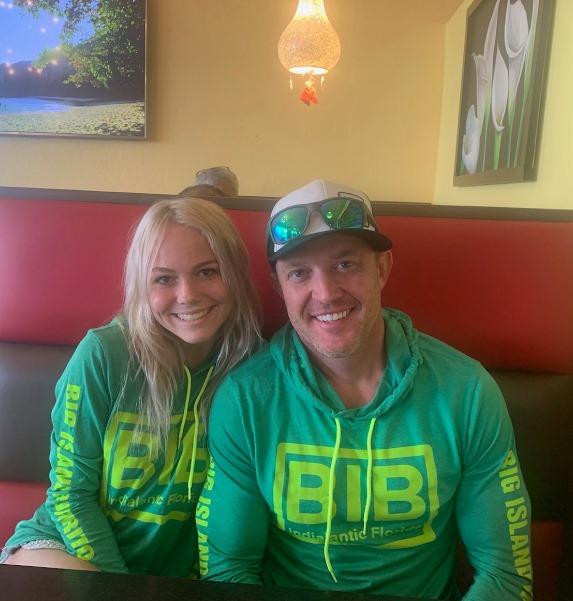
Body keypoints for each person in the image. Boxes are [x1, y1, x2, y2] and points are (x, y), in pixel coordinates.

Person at [196, 180, 532, 600]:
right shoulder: (245, 399)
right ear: (280, 286)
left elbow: (504, 575)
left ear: (382, 268)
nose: (326, 293)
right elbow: (228, 571)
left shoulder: (467, 390)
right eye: (300, 273)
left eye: (345, 264)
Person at [0, 197, 262, 576]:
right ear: (142, 285)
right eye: (164, 279)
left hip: (173, 573)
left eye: (207, 271)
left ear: (235, 273)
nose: (188, 295)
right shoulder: (104, 353)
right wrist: (120, 588)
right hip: (66, 549)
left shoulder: (253, 367)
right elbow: (70, 495)